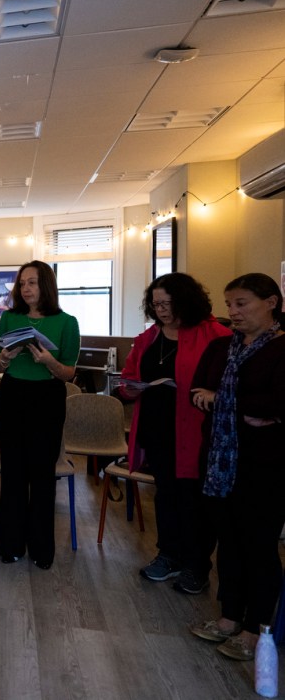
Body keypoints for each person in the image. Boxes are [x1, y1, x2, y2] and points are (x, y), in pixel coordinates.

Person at [189, 273, 285, 661]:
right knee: (228, 542)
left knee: (259, 547)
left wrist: (227, 399)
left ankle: (255, 629)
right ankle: (229, 617)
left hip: (265, 466)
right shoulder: (220, 348)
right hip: (218, 460)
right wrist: (243, 406)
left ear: (271, 302)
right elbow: (198, 391)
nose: (233, 312)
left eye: (241, 303)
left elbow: (278, 405)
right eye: (229, 304)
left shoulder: (281, 349)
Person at [117, 273, 230, 591]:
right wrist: (131, 388)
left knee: (194, 500)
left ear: (184, 300)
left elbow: (227, 382)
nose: (161, 310)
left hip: (195, 431)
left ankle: (196, 566)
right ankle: (168, 555)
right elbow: (129, 376)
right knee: (165, 495)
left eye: (167, 303)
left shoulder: (213, 334)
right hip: (156, 429)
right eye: (155, 304)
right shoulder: (149, 337)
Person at [0, 261, 80, 570]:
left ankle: (42, 549)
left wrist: (48, 361)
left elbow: (68, 373)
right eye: (22, 283)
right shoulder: (10, 318)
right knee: (13, 473)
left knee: (42, 474)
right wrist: (5, 356)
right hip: (13, 393)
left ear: (46, 286)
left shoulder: (67, 322)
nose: (26, 288)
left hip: (48, 397)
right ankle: (11, 545)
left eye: (32, 283)